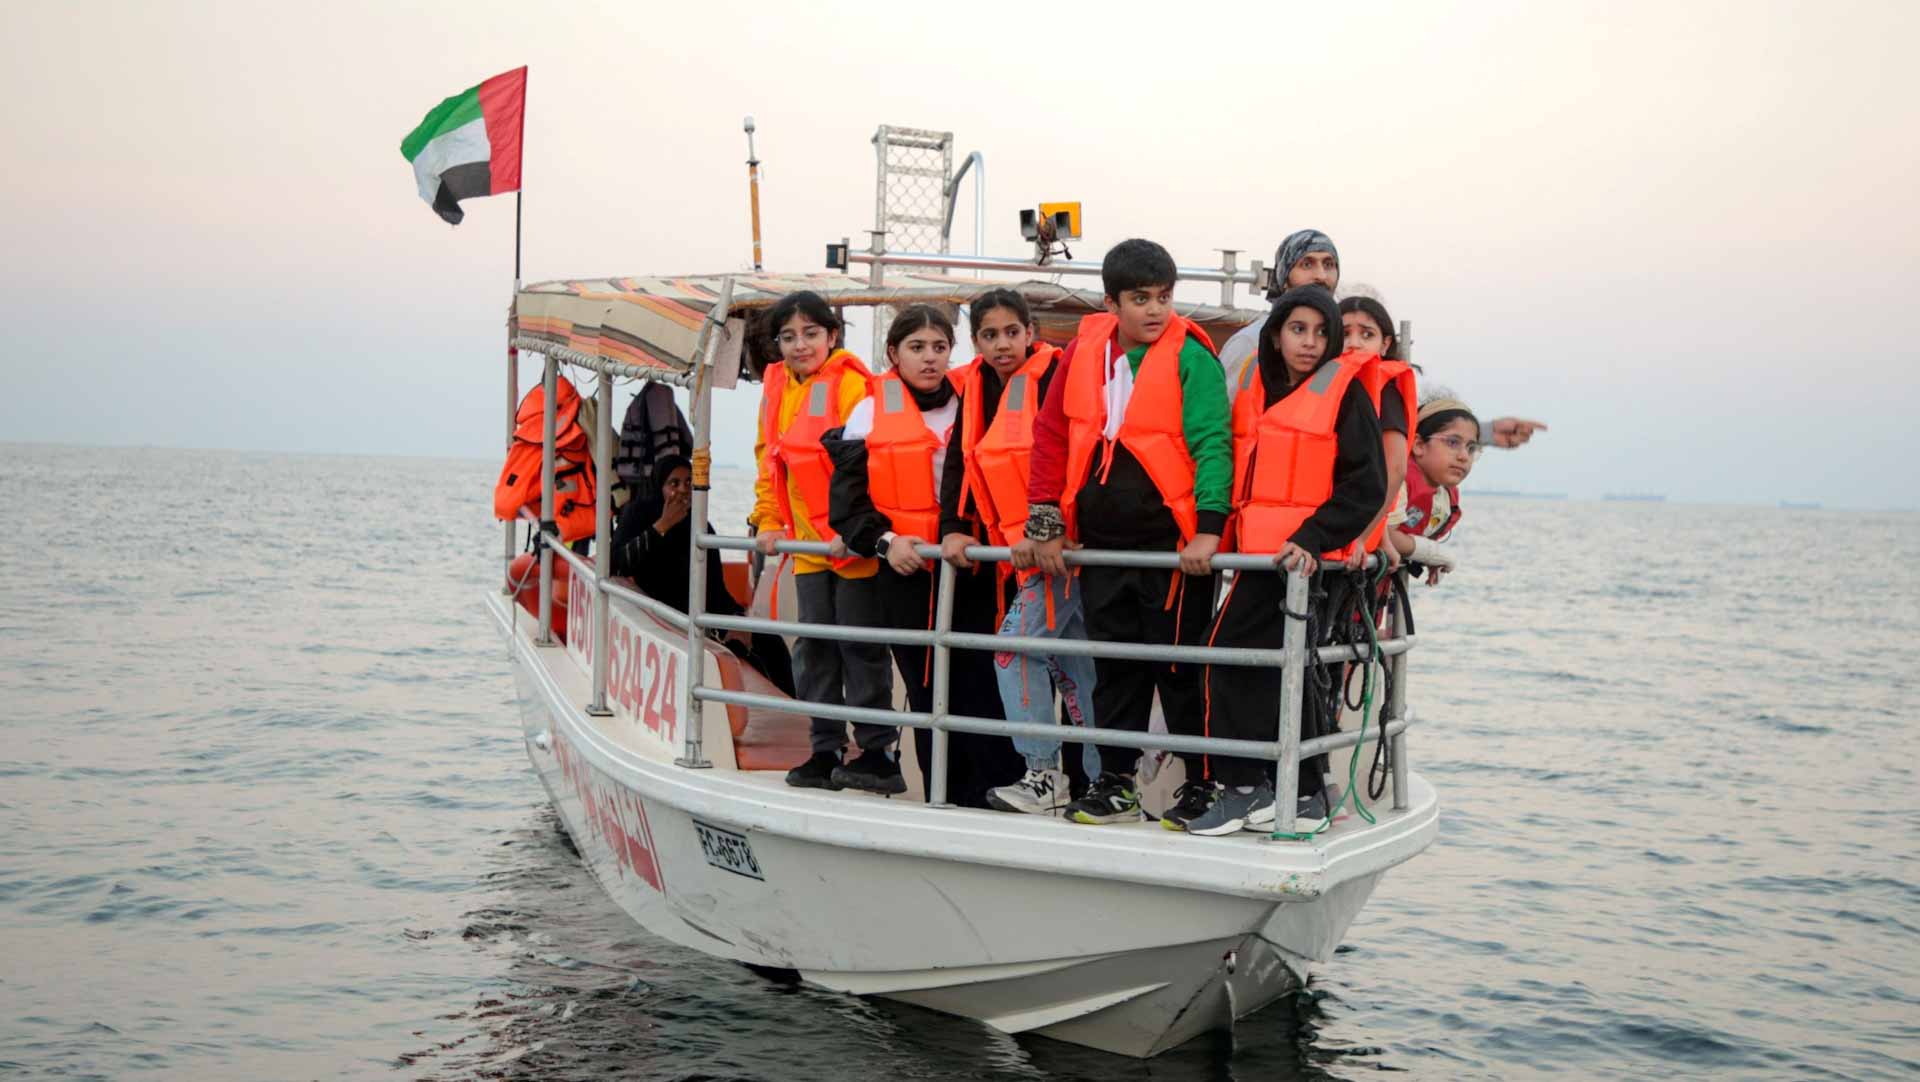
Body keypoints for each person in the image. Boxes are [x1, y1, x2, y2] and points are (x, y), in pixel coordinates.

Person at [1024, 239, 1232, 827]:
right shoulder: (1082, 354)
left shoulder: (1193, 357)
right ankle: (1115, 784)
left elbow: (1214, 443)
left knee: (1180, 668)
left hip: (1172, 549)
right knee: (1114, 668)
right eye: (1140, 299)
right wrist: (1046, 526)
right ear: (1111, 302)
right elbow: (1050, 439)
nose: (1155, 310)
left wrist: (1209, 532)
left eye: (1164, 297)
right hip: (1100, 546)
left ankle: (1204, 785)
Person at [1188, 285, 1386, 837]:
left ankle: (1245, 789)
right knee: (1275, 673)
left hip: (1302, 564)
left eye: (1322, 333)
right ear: (1276, 334)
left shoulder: (1346, 396)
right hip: (1262, 559)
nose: (1310, 343)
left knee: (1226, 657)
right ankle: (1296, 792)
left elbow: (1366, 487)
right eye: (1298, 329)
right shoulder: (1264, 389)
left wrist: (1312, 537)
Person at [824, 304, 1024, 803]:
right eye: (917, 348)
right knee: (925, 686)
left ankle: (998, 794)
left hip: (973, 568)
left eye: (940, 348)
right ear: (894, 353)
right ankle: (946, 796)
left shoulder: (973, 400)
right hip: (906, 572)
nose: (930, 359)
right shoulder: (869, 411)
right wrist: (888, 544)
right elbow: (847, 508)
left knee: (985, 683)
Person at [936, 288, 1101, 815]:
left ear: (1031, 333)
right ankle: (1104, 782)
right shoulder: (978, 389)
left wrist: (1053, 530)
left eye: (1012, 332)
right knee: (1079, 670)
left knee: (1012, 650)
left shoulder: (1055, 378)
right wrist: (953, 528)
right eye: (989, 335)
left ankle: (1045, 775)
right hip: (1018, 556)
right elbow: (962, 465)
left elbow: (1072, 455)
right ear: (976, 341)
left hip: (1062, 550)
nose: (1002, 344)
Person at [749, 291, 895, 791]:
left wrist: (853, 534)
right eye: (788, 337)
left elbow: (866, 465)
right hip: (808, 548)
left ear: (832, 337)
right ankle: (824, 749)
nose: (799, 345)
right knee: (814, 649)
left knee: (861, 648)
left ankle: (878, 753)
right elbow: (769, 463)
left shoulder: (851, 385)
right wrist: (768, 523)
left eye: (811, 334)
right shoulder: (776, 389)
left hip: (849, 544)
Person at [1218, 230, 1547, 450]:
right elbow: (1221, 430)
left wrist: (1486, 433)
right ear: (1283, 274)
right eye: (1307, 264)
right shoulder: (1249, 344)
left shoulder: (1341, 347)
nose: (1320, 275)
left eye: (1329, 265)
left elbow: (1383, 421)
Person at [611, 454, 796, 696]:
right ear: (659, 487)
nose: (682, 490)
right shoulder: (640, 515)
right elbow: (616, 564)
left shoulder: (700, 526)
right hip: (669, 618)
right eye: (673, 484)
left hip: (705, 615)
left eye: (689, 483)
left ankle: (797, 709)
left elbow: (715, 588)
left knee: (769, 641)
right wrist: (662, 526)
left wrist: (734, 618)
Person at [1338, 295, 1418, 572]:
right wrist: (1383, 537)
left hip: (1351, 540)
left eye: (1366, 334)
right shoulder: (1331, 386)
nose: (1354, 342)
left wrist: (1363, 537)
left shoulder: (1384, 392)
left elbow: (1394, 469)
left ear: (1385, 344)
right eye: (1345, 333)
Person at [1389, 394, 1480, 585]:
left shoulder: (1444, 496)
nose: (1464, 456)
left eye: (1471, 448)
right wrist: (1433, 553)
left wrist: (1423, 555)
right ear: (1419, 445)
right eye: (1453, 443)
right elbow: (1384, 535)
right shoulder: (1398, 479)